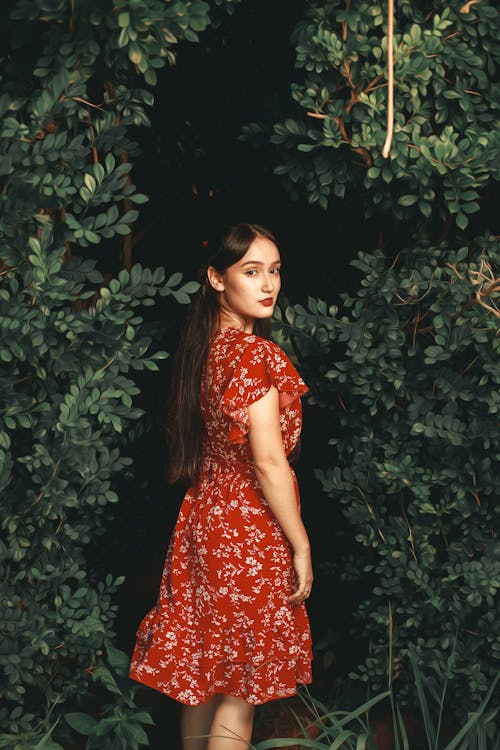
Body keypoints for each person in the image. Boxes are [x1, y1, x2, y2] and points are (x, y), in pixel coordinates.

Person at [129, 223, 313, 749]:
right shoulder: (255, 357)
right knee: (239, 693)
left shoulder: (205, 351)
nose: (268, 284)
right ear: (216, 278)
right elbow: (269, 463)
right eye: (250, 271)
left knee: (204, 682)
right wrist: (300, 544)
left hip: (203, 521)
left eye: (274, 271)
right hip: (247, 530)